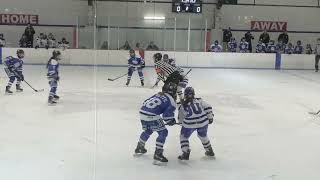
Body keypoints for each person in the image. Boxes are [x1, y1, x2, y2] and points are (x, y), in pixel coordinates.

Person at [134, 82, 177, 165]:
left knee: (148, 130)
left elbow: (145, 102)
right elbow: (167, 116)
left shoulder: (158, 94)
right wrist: (171, 121)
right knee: (163, 132)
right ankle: (158, 154)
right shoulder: (172, 101)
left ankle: (140, 147)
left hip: (142, 112)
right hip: (152, 115)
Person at [177, 87, 215, 160]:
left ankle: (185, 153)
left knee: (183, 137)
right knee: (203, 136)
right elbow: (208, 107)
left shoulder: (181, 104)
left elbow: (181, 118)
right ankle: (209, 151)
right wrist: (210, 117)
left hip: (189, 124)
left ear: (185, 94)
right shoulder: (199, 100)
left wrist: (181, 122)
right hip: (203, 122)